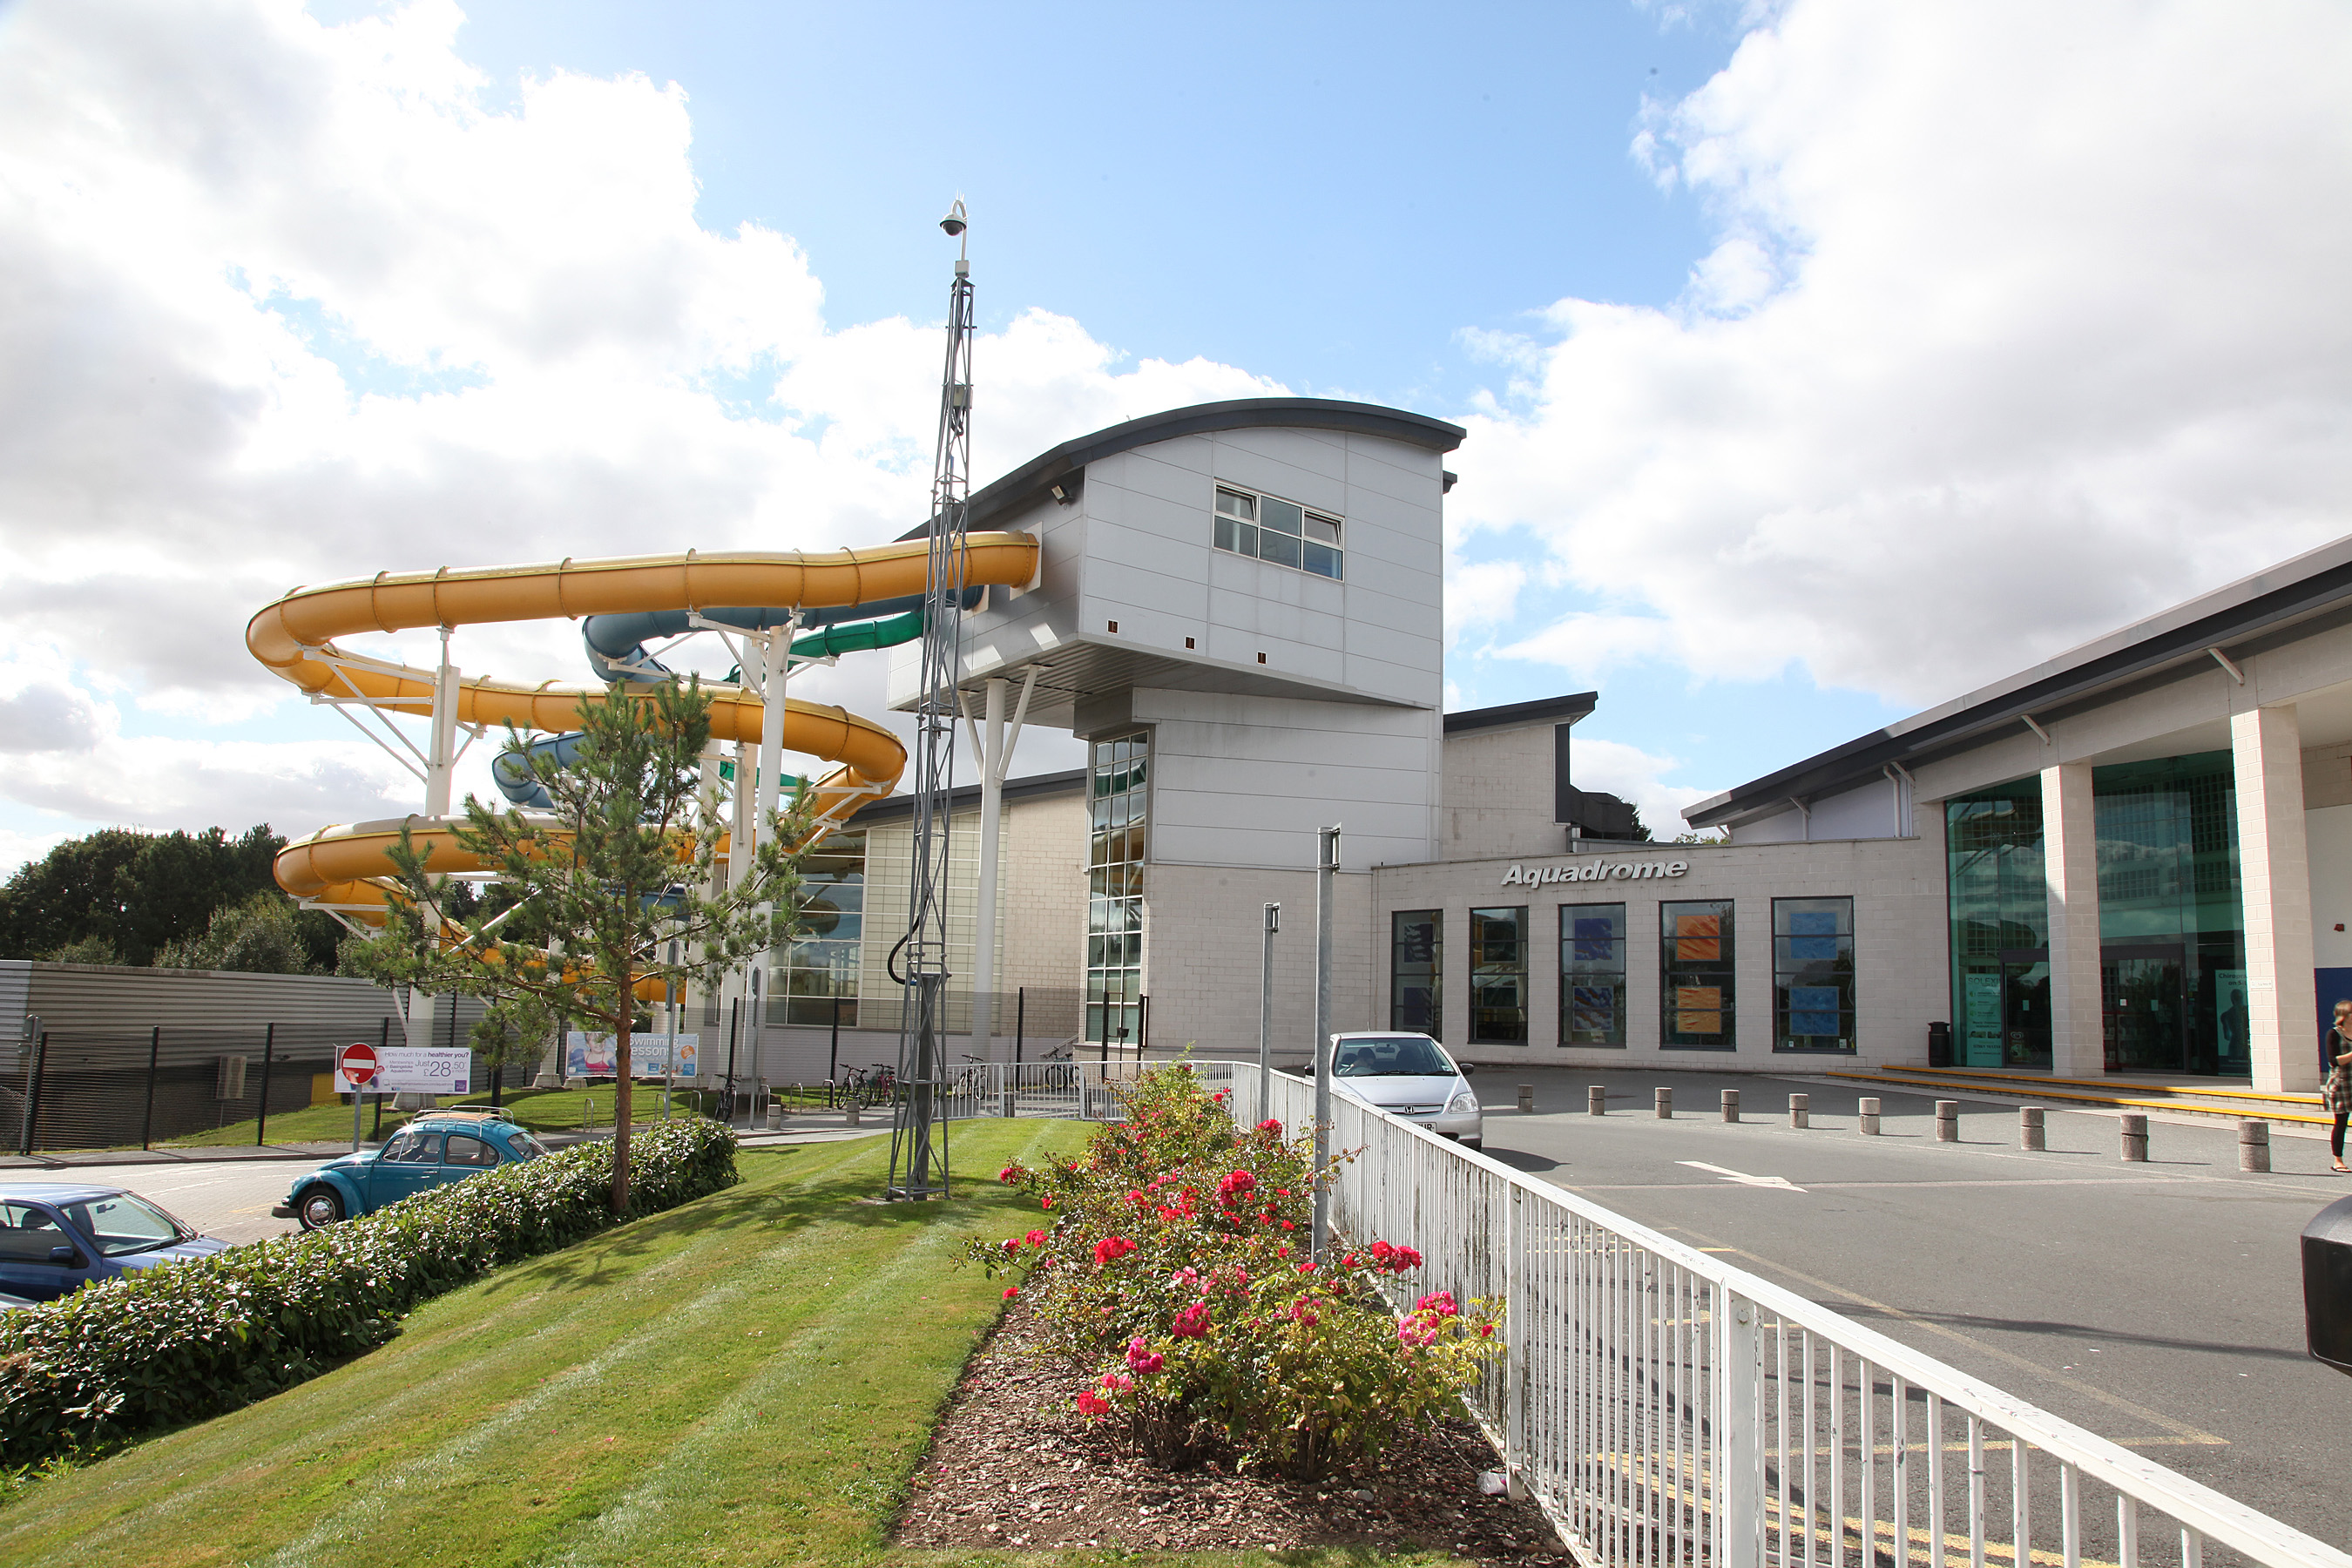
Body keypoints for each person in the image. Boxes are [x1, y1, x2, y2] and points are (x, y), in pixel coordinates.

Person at [2325, 999, 2352, 1173]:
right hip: (2342, 1082)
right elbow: (2333, 1061)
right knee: (2341, 1122)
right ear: (2344, 1015)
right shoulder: (2334, 1034)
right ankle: (2338, 1160)